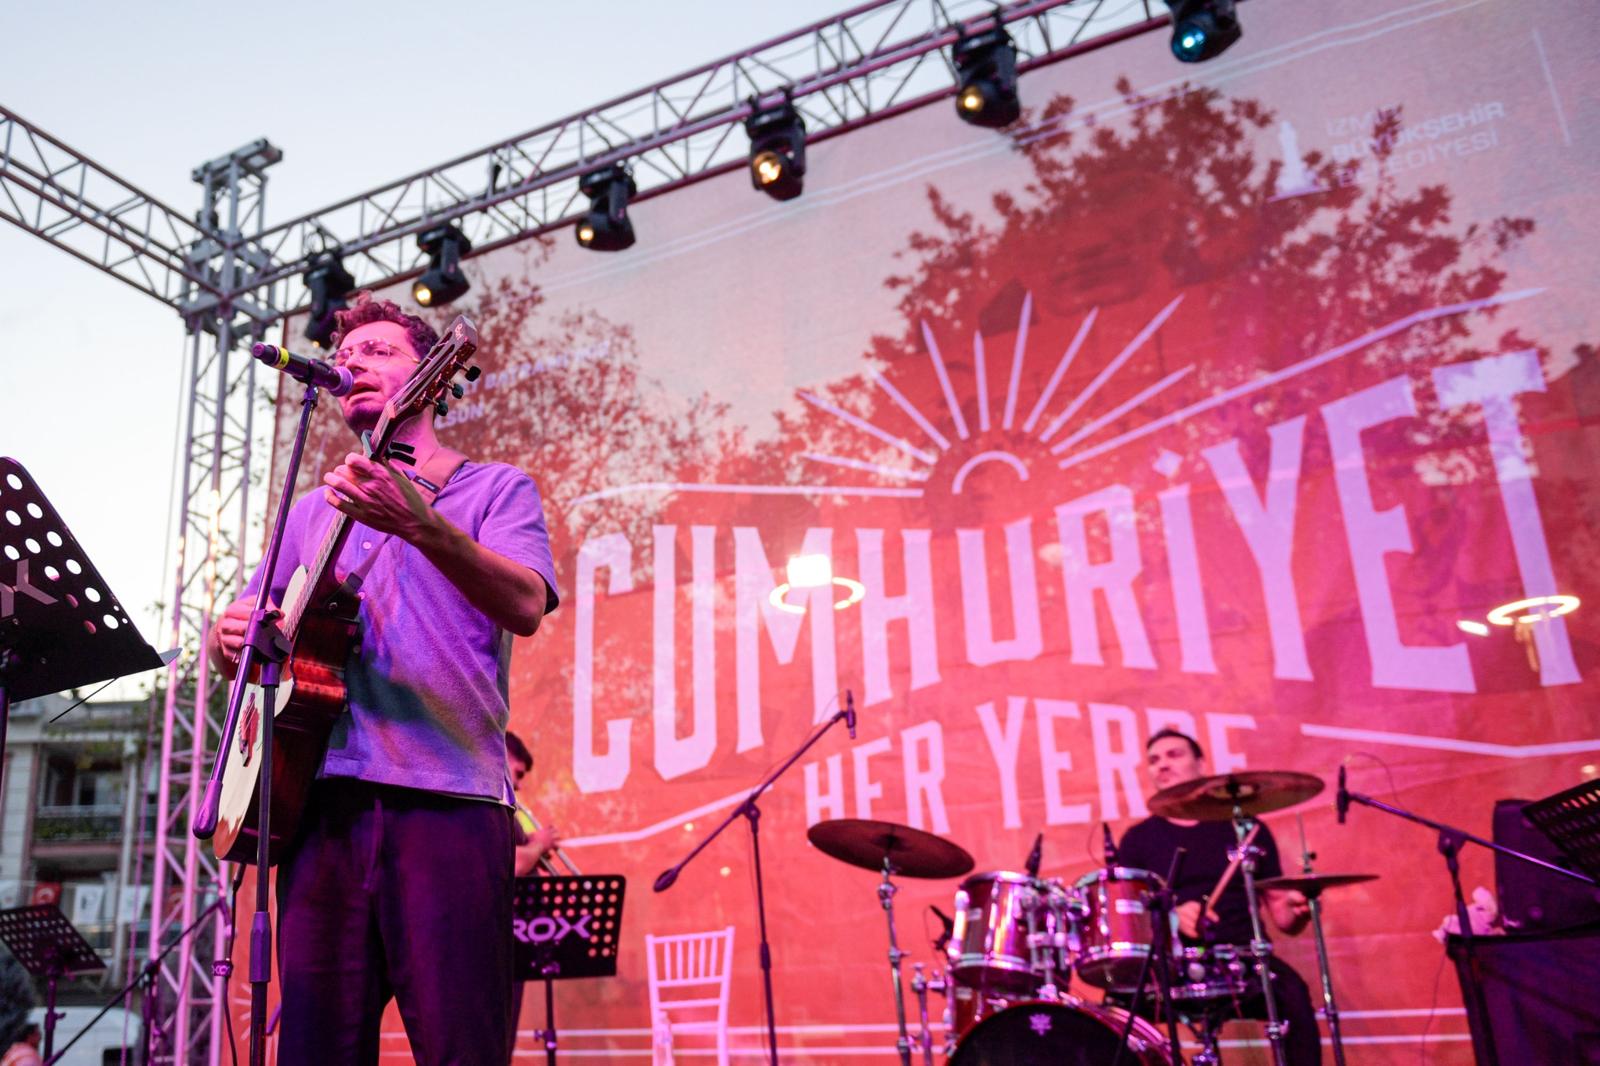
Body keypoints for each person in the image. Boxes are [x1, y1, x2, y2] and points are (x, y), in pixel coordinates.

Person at [208, 291, 560, 1066]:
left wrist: (420, 525)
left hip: (450, 803)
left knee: (461, 1049)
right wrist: (225, 637)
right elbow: (246, 635)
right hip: (320, 809)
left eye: (379, 351)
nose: (353, 364)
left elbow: (527, 604)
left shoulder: (495, 488)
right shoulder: (311, 510)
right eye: (346, 354)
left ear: (434, 378)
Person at [1112, 728, 1321, 1065]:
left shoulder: (1245, 829)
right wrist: (1171, 918)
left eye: (1174, 755)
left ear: (1201, 764)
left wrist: (1298, 908)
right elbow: (1129, 921)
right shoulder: (1138, 839)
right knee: (1117, 1013)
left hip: (1243, 959)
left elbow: (1283, 918)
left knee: (1293, 996)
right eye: (1154, 760)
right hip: (1171, 964)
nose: (1162, 765)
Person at [506, 730, 562, 877]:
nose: (519, 786)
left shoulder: (505, 812)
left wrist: (531, 848)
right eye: (518, 773)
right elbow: (512, 865)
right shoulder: (487, 812)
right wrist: (539, 845)